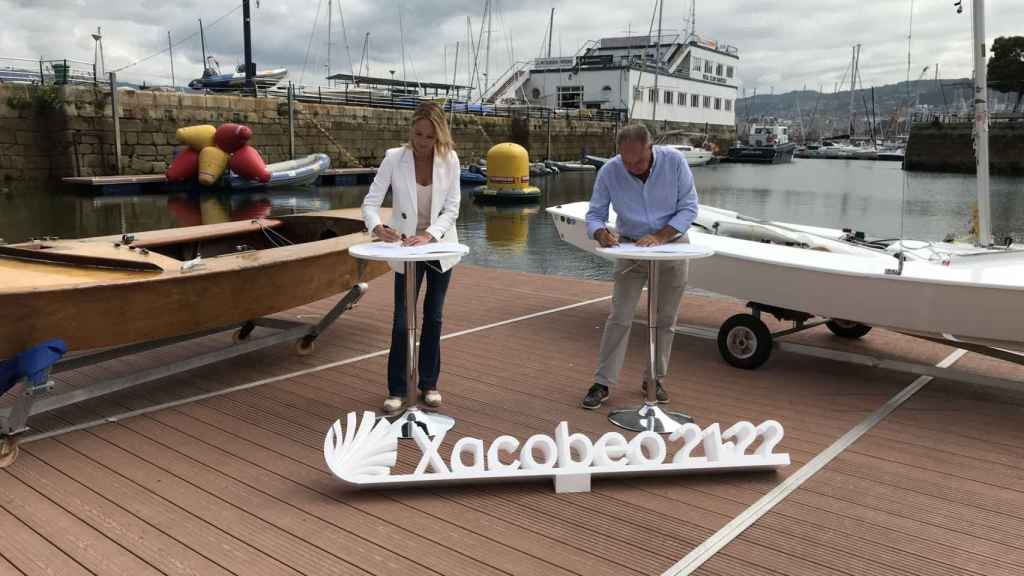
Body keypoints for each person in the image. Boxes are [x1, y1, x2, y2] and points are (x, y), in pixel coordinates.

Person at [581, 123, 699, 409]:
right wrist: (600, 232)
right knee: (619, 315)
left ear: (651, 147)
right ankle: (603, 382)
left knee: (666, 318)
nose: (632, 167)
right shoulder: (610, 170)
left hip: (672, 244)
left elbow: (690, 207)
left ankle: (653, 379)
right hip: (631, 247)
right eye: (626, 160)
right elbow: (595, 214)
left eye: (639, 160)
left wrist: (660, 236)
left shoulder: (675, 162)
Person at [362, 102, 462, 415]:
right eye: (418, 134)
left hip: (438, 246)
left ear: (439, 136)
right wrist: (377, 227)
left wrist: (430, 234)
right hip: (405, 248)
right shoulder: (394, 158)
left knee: (433, 316)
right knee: (402, 318)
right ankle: (396, 388)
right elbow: (370, 203)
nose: (422, 141)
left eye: (429, 137)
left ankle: (429, 384)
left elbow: (452, 208)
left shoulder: (451, 160)